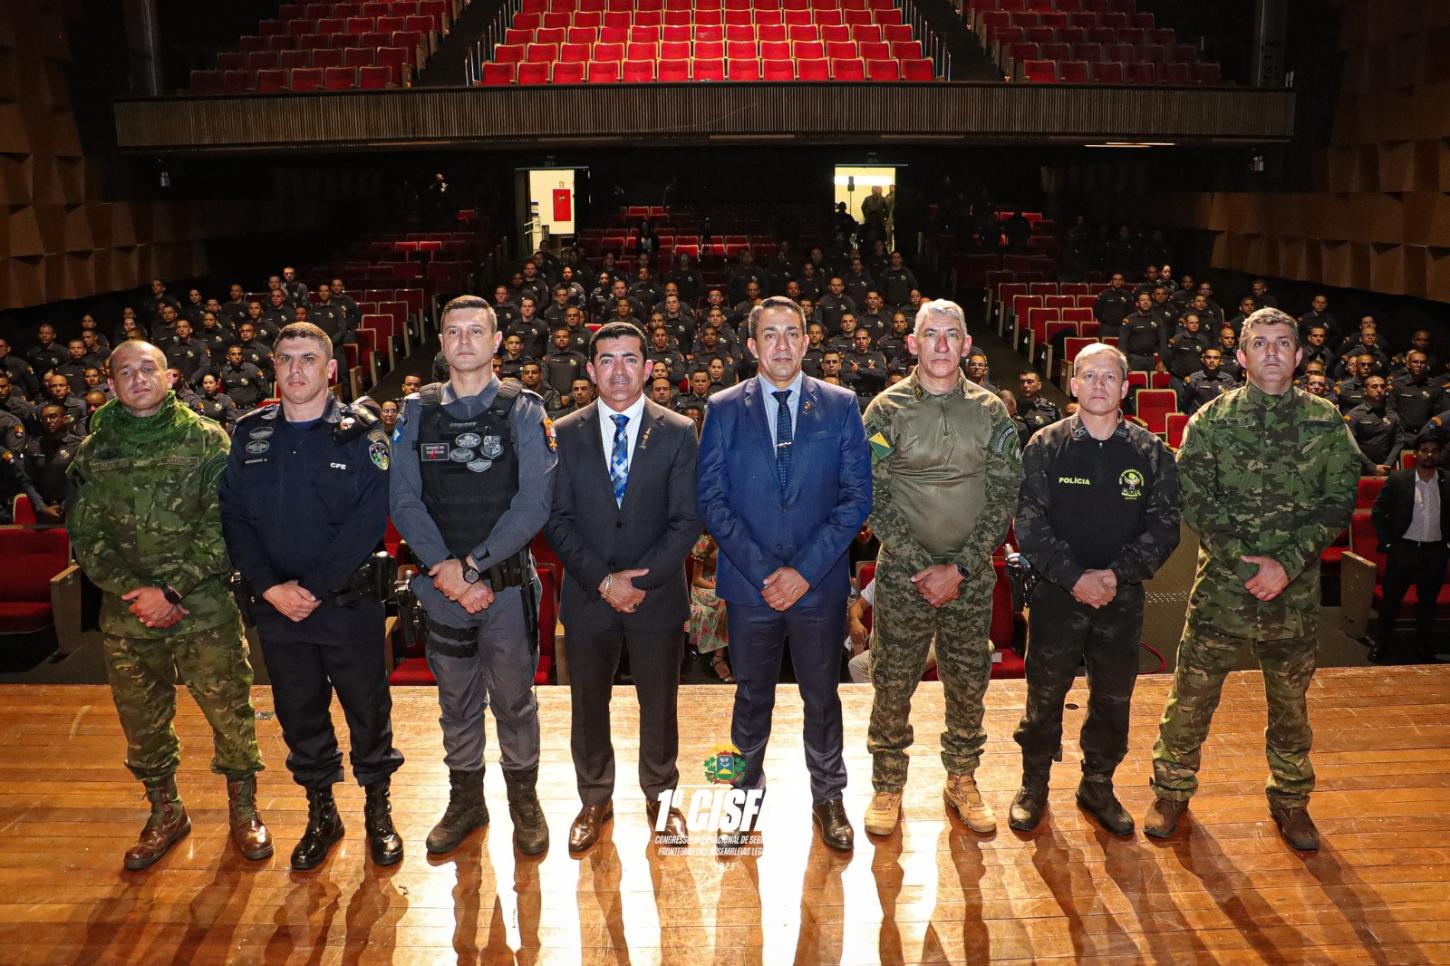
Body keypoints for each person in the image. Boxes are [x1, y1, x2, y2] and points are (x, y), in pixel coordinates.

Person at [1146, 308, 1359, 852]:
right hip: (1223, 588)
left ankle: (1291, 800)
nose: (1271, 353)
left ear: (1299, 355)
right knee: (1192, 693)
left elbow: (1337, 503)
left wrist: (1285, 563)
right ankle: (1171, 790)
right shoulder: (1211, 422)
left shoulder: (1326, 422)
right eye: (1259, 344)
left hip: (1293, 592)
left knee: (1290, 701)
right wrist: (1248, 563)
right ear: (1240, 357)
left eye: (1282, 343)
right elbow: (1196, 500)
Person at [67, 341, 269, 870]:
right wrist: (138, 593)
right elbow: (85, 537)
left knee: (229, 711)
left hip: (201, 607)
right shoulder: (93, 451)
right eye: (125, 372)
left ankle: (244, 810)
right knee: (143, 722)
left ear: (171, 376)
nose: (137, 379)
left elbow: (223, 524)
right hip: (128, 614)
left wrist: (172, 591)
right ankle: (165, 811)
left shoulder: (206, 441)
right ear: (109, 384)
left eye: (147, 368)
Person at [219, 322, 405, 870]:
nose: (295, 369)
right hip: (278, 610)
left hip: (346, 605)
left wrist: (312, 587)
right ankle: (322, 812)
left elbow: (369, 520)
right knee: (300, 715)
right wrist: (270, 586)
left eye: (307, 359)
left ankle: (378, 809)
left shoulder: (363, 435)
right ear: (273, 368)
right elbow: (233, 515)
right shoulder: (250, 433)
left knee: (368, 712)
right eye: (284, 359)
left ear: (330, 369)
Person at [697, 296, 871, 852]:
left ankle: (829, 797)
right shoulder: (722, 408)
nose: (782, 345)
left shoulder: (842, 405)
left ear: (806, 340)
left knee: (823, 694)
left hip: (817, 585)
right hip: (749, 586)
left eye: (792, 333)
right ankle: (742, 796)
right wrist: (766, 572)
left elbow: (855, 498)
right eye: (770, 335)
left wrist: (802, 571)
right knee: (750, 696)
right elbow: (712, 500)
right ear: (752, 346)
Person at [389, 296, 555, 856]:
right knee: (456, 701)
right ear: (440, 342)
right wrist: (449, 573)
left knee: (513, 700)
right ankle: (466, 799)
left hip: (505, 589)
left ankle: (524, 801)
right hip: (442, 592)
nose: (464, 341)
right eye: (453, 331)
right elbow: (404, 501)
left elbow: (534, 504)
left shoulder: (524, 409)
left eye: (475, 331)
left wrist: (473, 565)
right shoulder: (415, 411)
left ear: (497, 340)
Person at [860, 299, 1023, 839]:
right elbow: (872, 494)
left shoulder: (992, 412)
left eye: (953, 335)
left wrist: (960, 566)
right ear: (913, 343)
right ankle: (887, 784)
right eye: (931, 334)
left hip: (971, 577)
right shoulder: (885, 412)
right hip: (904, 577)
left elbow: (1004, 495)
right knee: (891, 679)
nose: (942, 345)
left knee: (968, 678)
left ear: (967, 345)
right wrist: (921, 567)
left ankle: (962, 778)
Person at [1009, 343, 1181, 834]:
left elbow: (1164, 527)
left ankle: (1098, 784)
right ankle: (1034, 784)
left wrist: (1115, 576)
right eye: (1090, 376)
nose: (1099, 385)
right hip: (1055, 598)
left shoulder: (1149, 451)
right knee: (1045, 694)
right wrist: (1075, 578)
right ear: (1075, 383)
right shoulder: (1045, 444)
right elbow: (1029, 523)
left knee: (1112, 697)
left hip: (1120, 599)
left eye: (1110, 377)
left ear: (1126, 387)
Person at [543, 321, 701, 852]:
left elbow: (686, 520)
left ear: (649, 368)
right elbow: (557, 519)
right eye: (607, 359)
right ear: (589, 370)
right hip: (589, 595)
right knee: (588, 703)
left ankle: (661, 795)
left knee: (660, 701)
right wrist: (604, 580)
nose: (618, 370)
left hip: (656, 596)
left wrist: (642, 580)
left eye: (630, 359)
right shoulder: (562, 432)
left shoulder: (679, 431)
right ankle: (594, 798)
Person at [1369, 436, 1450, 664]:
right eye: (1424, 450)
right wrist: (1387, 543)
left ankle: (1424, 646)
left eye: (1434, 451)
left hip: (1435, 552)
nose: (1429, 455)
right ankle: (1381, 644)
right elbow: (1378, 512)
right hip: (1403, 549)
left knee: (1428, 604)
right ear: (1416, 453)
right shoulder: (1399, 479)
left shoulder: (1447, 481)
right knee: (1391, 602)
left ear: (1440, 454)